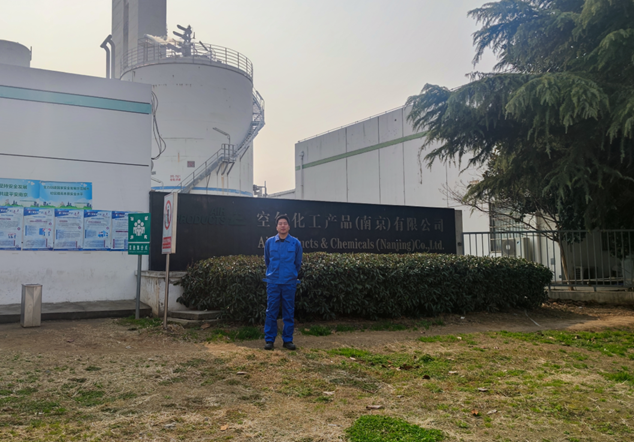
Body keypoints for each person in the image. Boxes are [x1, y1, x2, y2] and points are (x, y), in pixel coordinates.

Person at [263, 215, 303, 350]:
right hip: (273, 282)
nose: (283, 226)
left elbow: (297, 263)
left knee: (288, 311)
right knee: (271, 311)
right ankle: (269, 340)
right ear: (276, 227)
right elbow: (267, 260)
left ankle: (287, 340)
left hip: (289, 282)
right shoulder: (269, 242)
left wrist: (291, 274)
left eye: (285, 223)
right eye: (280, 223)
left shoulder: (295, 243)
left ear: (289, 226)